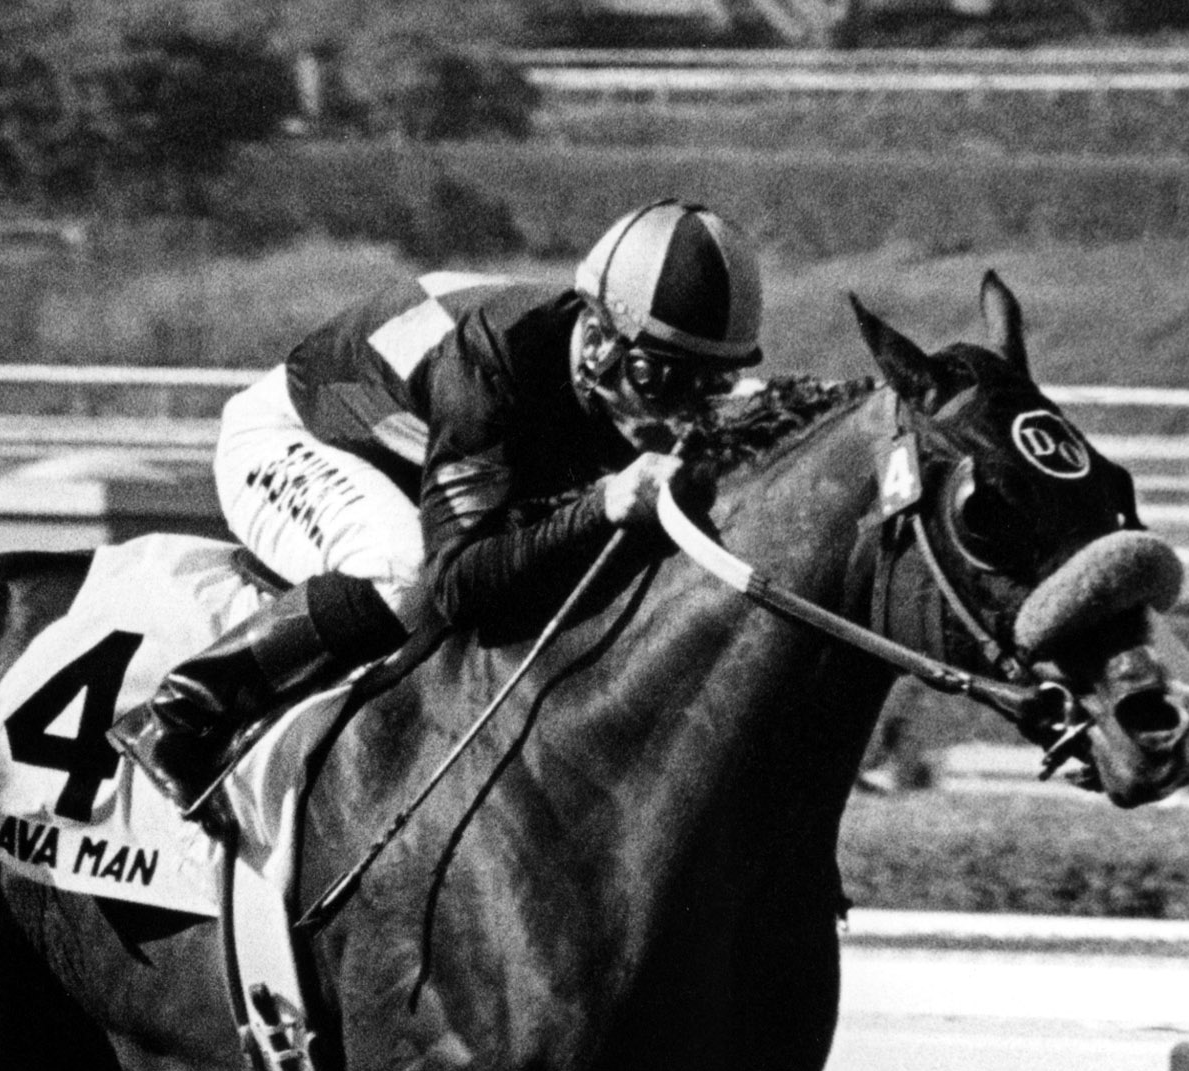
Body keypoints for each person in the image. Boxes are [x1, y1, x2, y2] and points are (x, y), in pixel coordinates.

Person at [110, 199, 766, 819]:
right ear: (598, 340)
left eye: (714, 382)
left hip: (421, 458)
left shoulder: (616, 374)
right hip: (295, 438)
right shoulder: (491, 366)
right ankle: (182, 711)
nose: (688, 406)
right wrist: (603, 505)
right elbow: (457, 586)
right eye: (664, 377)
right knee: (405, 573)